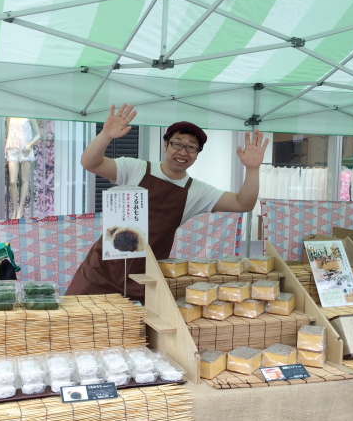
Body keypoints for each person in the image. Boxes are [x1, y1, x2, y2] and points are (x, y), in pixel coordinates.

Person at [66, 104, 268, 300]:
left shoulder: (197, 191)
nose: (183, 152)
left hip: (144, 278)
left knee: (134, 333)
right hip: (99, 271)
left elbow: (243, 204)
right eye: (177, 143)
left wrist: (252, 169)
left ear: (197, 155)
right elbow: (90, 162)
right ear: (165, 145)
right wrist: (106, 135)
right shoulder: (135, 168)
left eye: (191, 147)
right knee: (74, 324)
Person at [5, 117, 41, 219]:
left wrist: (30, 144)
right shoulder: (9, 117)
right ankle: (14, 209)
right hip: (12, 149)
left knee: (24, 179)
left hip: (26, 150)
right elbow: (9, 133)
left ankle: (20, 209)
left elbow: (38, 134)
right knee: (12, 181)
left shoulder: (29, 116)